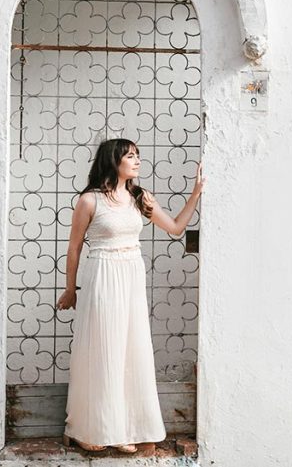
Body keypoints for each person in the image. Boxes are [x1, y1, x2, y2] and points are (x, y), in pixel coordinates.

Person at [56, 138, 204, 454]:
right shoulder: (90, 201)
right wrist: (71, 290)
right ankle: (89, 428)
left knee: (129, 348)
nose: (137, 161)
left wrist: (196, 193)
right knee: (102, 348)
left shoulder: (140, 198)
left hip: (131, 274)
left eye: (138, 155)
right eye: (130, 156)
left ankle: (123, 428)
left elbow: (176, 227)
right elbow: (74, 247)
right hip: (102, 274)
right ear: (113, 161)